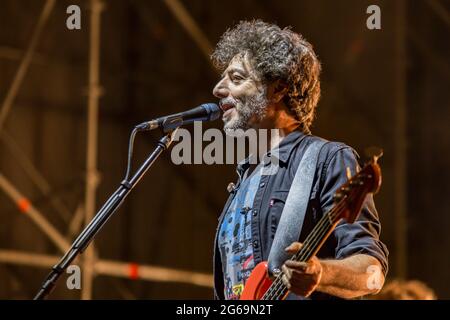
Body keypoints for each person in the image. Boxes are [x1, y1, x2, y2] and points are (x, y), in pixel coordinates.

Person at [211, 20, 389, 300]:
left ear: (278, 89)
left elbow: (372, 273)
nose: (218, 89)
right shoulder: (242, 181)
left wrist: (321, 273)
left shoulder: (327, 160)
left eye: (235, 78)